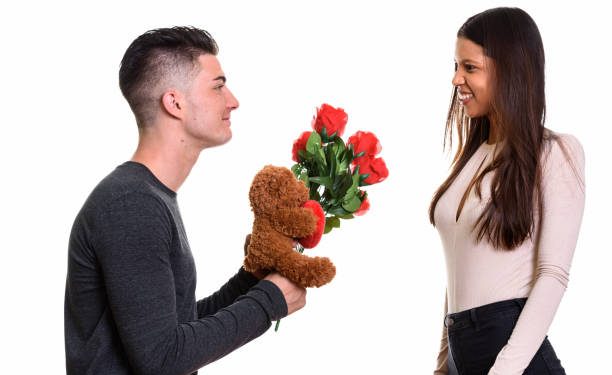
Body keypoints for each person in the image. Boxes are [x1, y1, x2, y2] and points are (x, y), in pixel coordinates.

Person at [64, 26, 306, 375]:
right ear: (174, 102)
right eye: (218, 86)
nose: (233, 100)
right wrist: (268, 302)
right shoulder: (131, 204)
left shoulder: (147, 198)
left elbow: (175, 329)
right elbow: (162, 358)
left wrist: (253, 278)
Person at [429, 8, 585, 375]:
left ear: (510, 69)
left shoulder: (556, 153)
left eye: (470, 67)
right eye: (456, 65)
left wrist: (504, 371)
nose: (456, 79)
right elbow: (459, 268)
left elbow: (553, 275)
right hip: (461, 354)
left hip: (514, 357)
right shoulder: (470, 159)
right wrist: (441, 362)